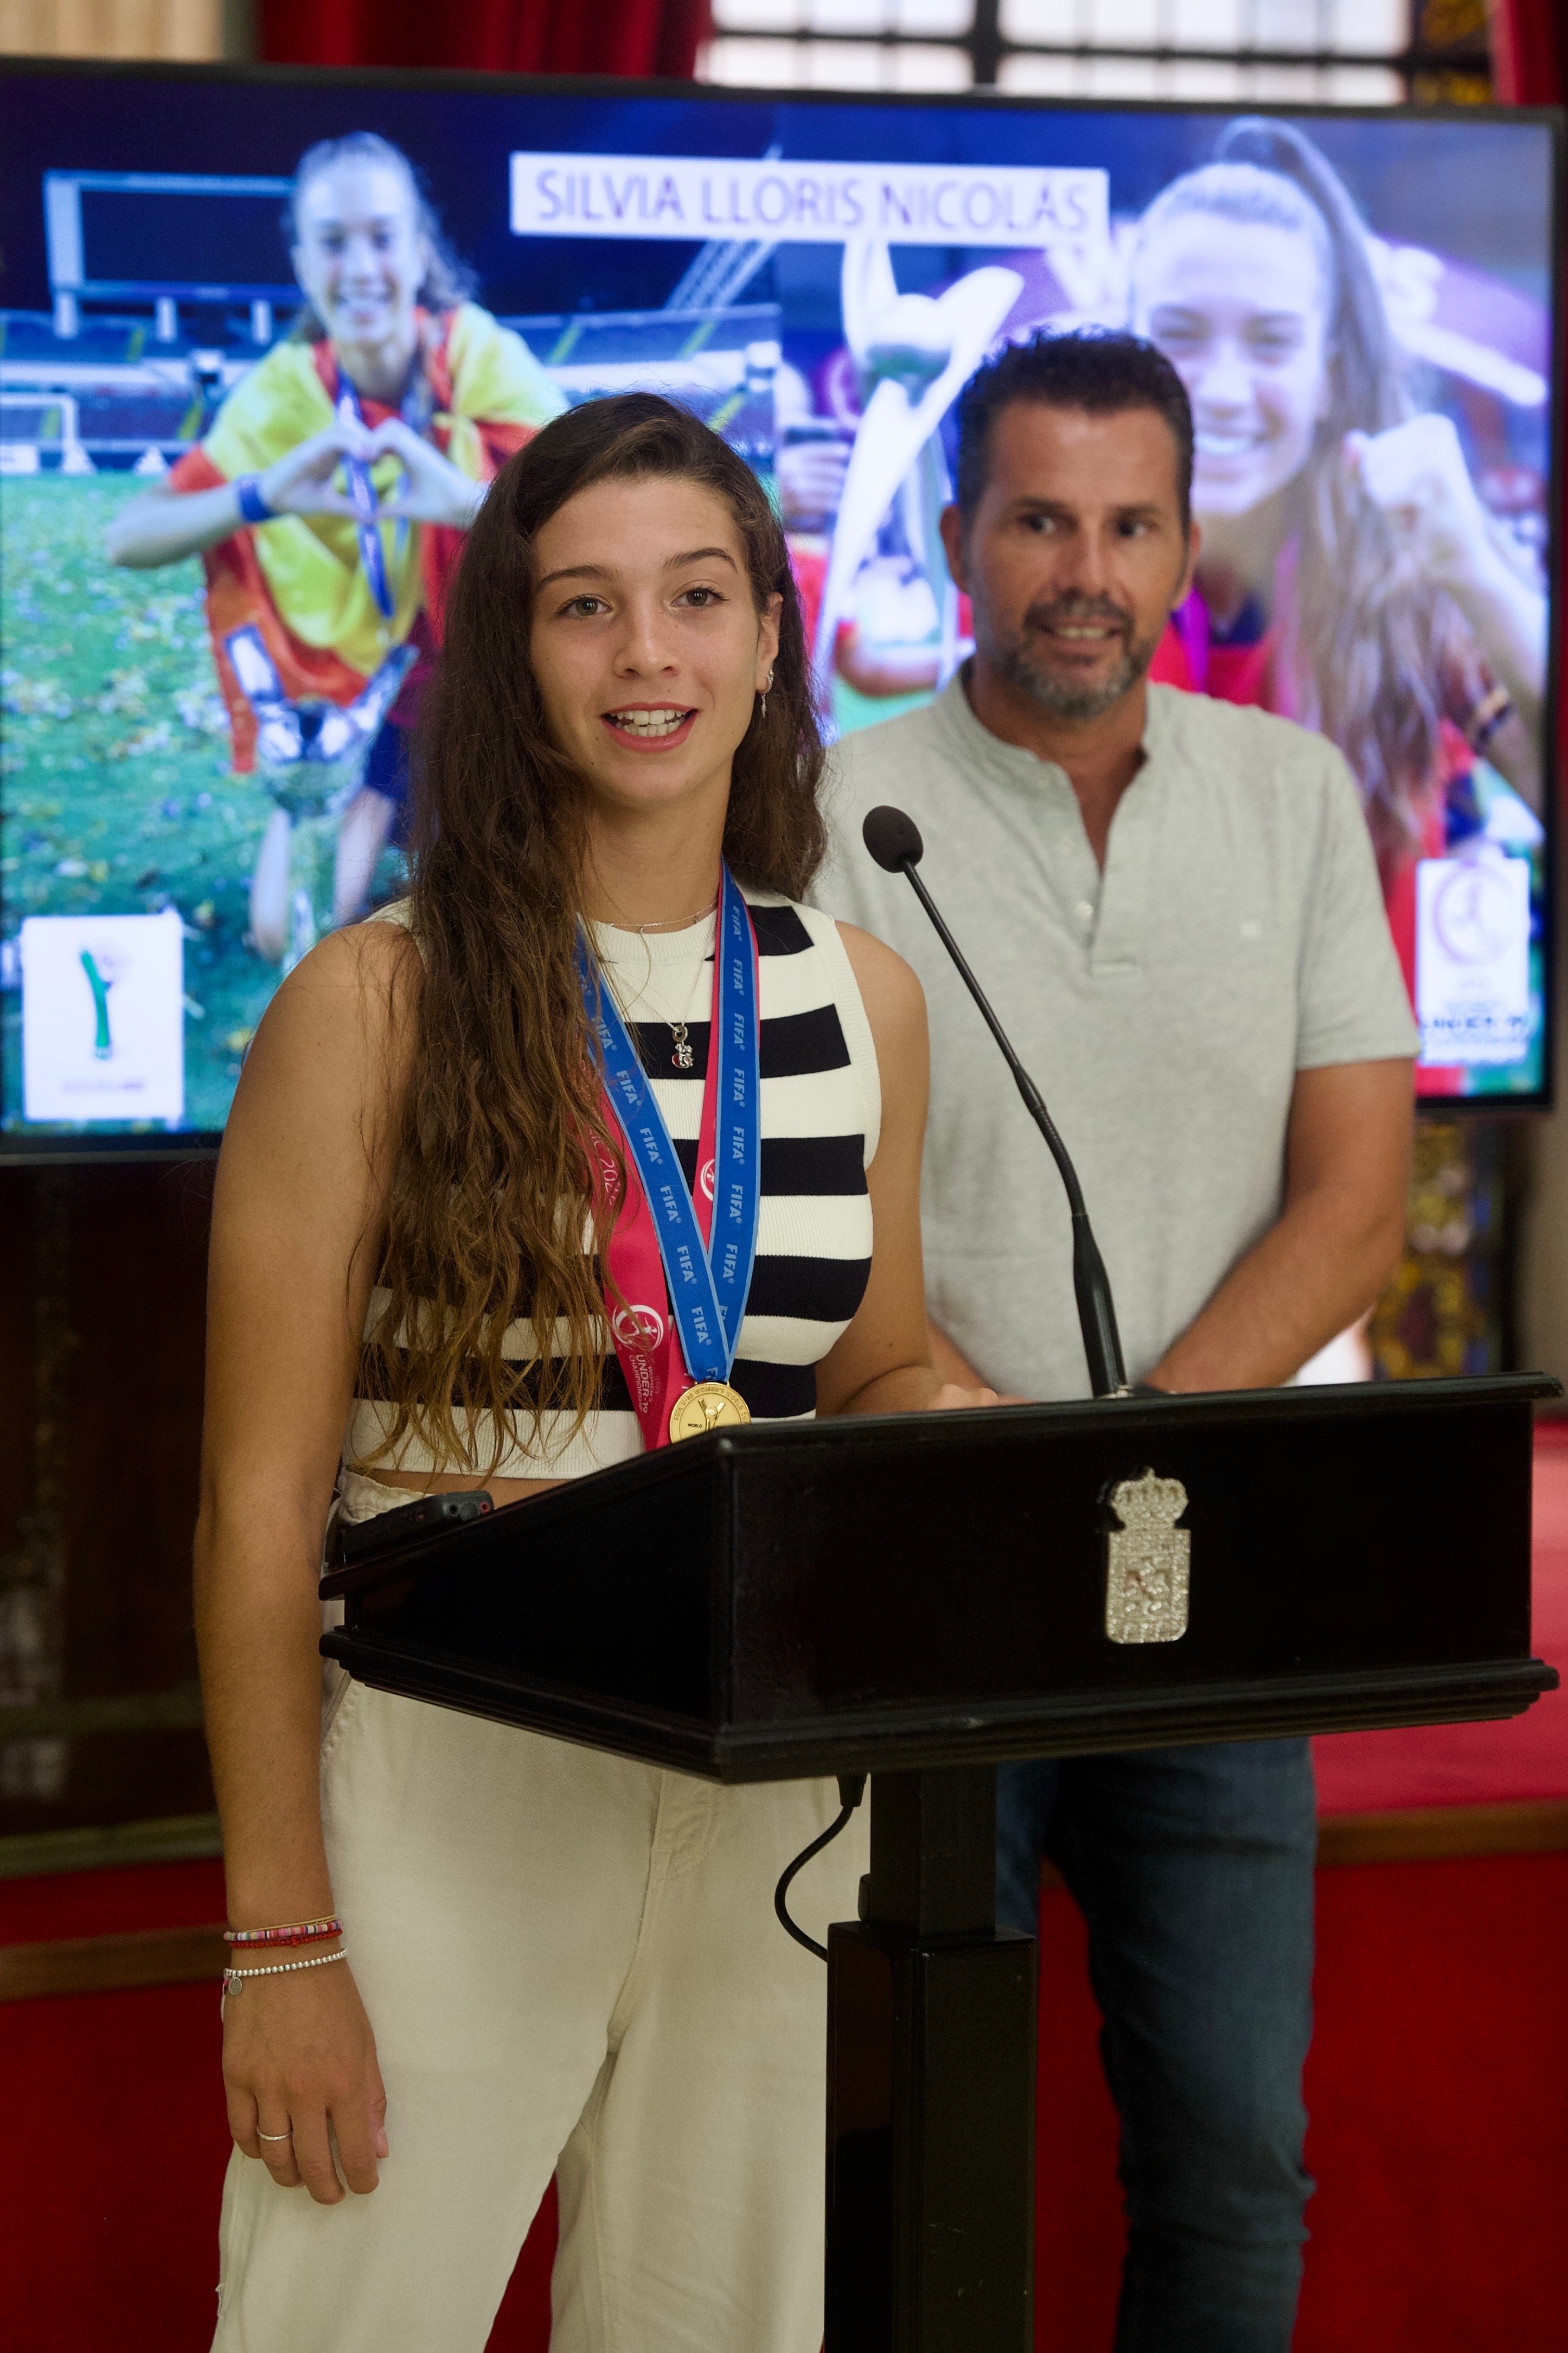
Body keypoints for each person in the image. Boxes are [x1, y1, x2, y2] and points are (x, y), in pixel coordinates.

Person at [195, 391, 994, 2353]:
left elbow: (870, 1360)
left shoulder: (859, 992)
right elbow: (253, 1507)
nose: (650, 654)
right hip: (463, 1767)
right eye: (585, 606)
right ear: (515, 659)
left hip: (771, 1786)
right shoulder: (367, 1000)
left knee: (729, 2322)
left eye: (697, 596)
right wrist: (283, 1933)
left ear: (768, 633)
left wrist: (964, 1435)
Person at [816, 330, 1417, 2352]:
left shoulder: (1295, 792)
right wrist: (1003, 1469)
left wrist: (1135, 1448)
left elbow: (1354, 1193)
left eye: (1130, 520)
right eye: (1040, 517)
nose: (1087, 562)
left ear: (1185, 543)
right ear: (961, 536)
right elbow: (808, 1207)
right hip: (928, 1595)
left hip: (1209, 1584)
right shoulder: (840, 804)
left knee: (1238, 2164)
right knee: (920, 2158)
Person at [1128, 118, 1546, 1083]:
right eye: (1179, 336)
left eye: (1271, 342)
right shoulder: (1068, 592)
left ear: (1329, 375)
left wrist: (1472, 564)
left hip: (1367, 1155)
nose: (1222, 387)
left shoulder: (1403, 588)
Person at [106, 131, 564, 960]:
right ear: (301, 262)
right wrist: (259, 494)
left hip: (504, 677)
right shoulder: (284, 391)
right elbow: (129, 535)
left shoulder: (478, 354)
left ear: (421, 249)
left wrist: (464, 500)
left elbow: (598, 512)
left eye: (383, 237)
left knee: (526, 910)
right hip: (375, 691)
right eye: (333, 242)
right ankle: (343, 801)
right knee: (291, 930)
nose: (361, 268)